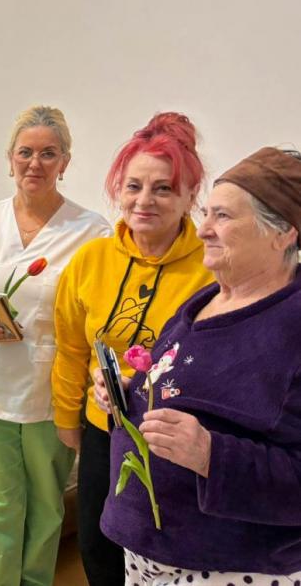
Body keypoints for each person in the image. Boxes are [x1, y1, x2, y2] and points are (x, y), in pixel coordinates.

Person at [96, 147, 301, 584]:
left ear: (283, 232)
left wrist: (211, 455)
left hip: (229, 570)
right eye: (206, 213)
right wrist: (128, 395)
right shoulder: (206, 300)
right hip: (149, 557)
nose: (203, 229)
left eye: (222, 217)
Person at [0, 105, 111, 585]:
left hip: (49, 396)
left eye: (48, 153)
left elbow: (97, 314)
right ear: (10, 159)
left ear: (65, 162)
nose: (34, 163)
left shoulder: (91, 231)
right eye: (25, 152)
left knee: (44, 510)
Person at [50, 112, 214, 586]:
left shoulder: (211, 269)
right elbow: (70, 348)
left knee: (159, 552)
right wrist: (68, 420)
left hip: (175, 438)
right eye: (133, 186)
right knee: (96, 544)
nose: (144, 201)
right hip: (104, 429)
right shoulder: (91, 260)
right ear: (118, 190)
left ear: (190, 197)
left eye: (163, 189)